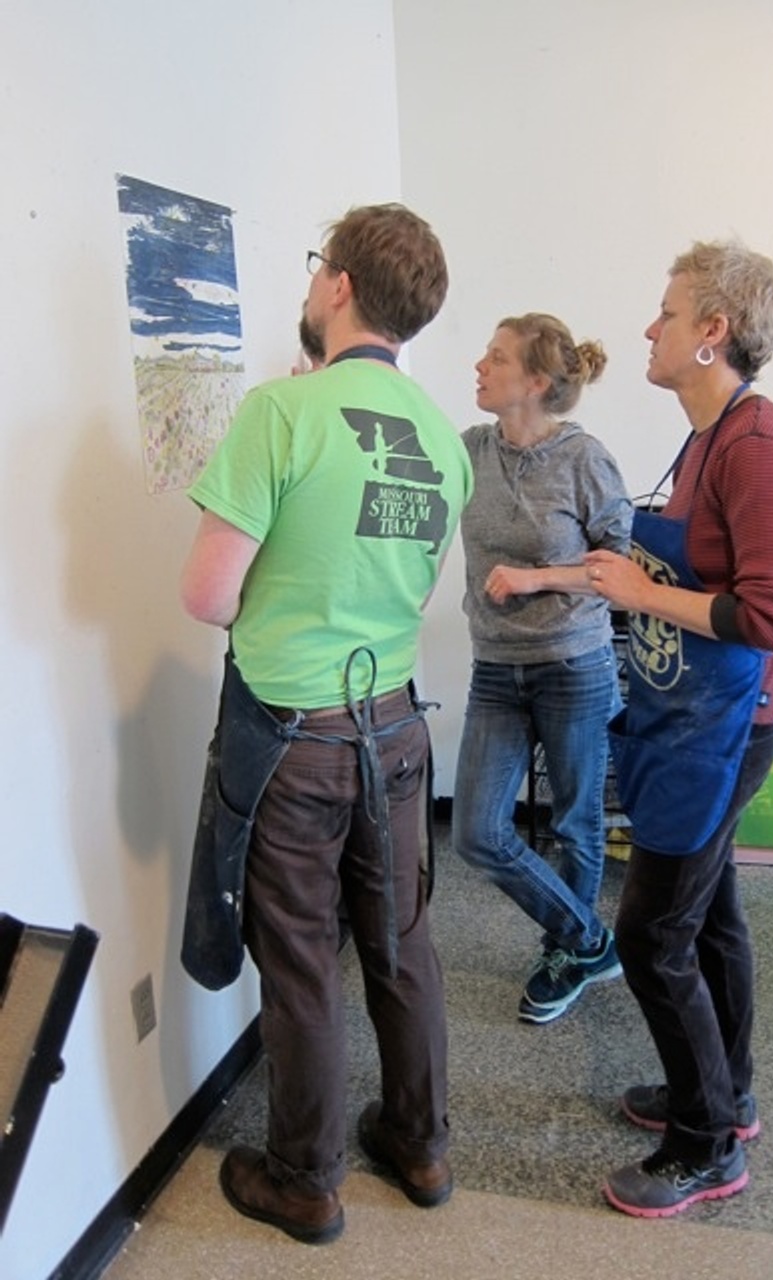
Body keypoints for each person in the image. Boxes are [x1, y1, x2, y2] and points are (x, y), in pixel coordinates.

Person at [180, 203, 473, 1245]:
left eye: (316, 269)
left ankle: (306, 1178)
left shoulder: (282, 414)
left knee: (301, 957)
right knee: (401, 942)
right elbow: (404, 586)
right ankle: (422, 1141)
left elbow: (208, 597)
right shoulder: (445, 437)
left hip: (294, 737)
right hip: (394, 724)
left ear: (341, 285)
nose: (310, 285)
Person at [584, 240, 773, 1217]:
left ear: (713, 332)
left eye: (668, 312)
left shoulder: (760, 449)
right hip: (688, 716)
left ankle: (705, 1143)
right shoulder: (702, 437)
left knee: (650, 930)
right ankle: (724, 1089)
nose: (650, 327)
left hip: (727, 726)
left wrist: (641, 590)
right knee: (708, 908)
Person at [452, 313, 633, 1024]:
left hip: (573, 665)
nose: (478, 366)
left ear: (533, 382)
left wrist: (533, 579)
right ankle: (589, 938)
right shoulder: (467, 449)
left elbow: (618, 571)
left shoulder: (585, 459)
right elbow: (393, 453)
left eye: (494, 358)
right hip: (495, 667)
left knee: (577, 826)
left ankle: (562, 952)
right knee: (476, 832)